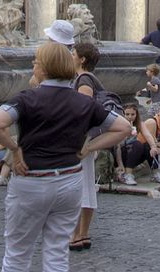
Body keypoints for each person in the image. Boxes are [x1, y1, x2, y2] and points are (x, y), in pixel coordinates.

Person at [0, 41, 130, 270]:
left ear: (43, 68)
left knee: (17, 254)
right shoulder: (83, 102)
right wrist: (89, 147)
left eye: (36, 62)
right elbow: (123, 128)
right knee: (57, 253)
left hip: (31, 181)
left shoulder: (27, 98)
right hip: (69, 181)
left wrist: (14, 148)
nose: (33, 66)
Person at [69, 41, 103, 252]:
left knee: (78, 185)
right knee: (88, 186)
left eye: (73, 53)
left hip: (82, 139)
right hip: (89, 138)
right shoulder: (90, 78)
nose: (70, 56)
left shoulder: (83, 80)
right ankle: (83, 234)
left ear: (82, 59)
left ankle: (76, 234)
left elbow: (82, 109)